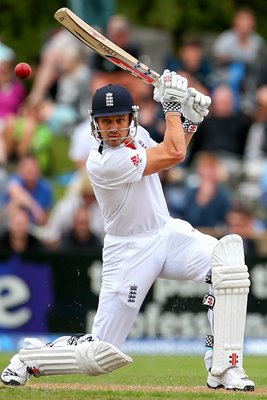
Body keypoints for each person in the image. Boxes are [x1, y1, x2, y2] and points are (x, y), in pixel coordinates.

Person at [1, 71, 254, 391]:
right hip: (129, 250)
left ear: (131, 118)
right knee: (100, 355)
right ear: (95, 125)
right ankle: (27, 358)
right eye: (106, 122)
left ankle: (223, 367)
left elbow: (172, 152)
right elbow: (174, 153)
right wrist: (174, 107)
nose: (115, 128)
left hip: (166, 233)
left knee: (227, 266)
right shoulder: (104, 162)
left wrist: (190, 120)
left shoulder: (139, 136)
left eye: (119, 119)